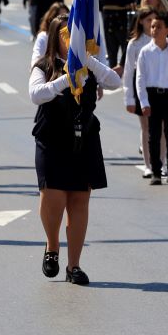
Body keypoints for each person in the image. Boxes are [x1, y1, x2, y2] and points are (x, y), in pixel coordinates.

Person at [29, 15, 123, 285]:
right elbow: (36, 94)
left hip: (84, 138)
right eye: (66, 35)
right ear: (55, 38)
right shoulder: (43, 66)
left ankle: (74, 266)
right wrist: (64, 79)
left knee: (80, 201)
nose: (71, 40)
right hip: (52, 138)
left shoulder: (89, 66)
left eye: (75, 35)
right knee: (54, 198)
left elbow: (114, 83)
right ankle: (52, 246)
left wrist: (87, 61)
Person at [135, 14, 168, 187]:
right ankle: (155, 172)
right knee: (154, 134)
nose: (154, 30)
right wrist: (143, 102)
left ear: (167, 30)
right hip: (153, 95)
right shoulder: (145, 52)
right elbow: (140, 79)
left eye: (158, 27)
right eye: (152, 27)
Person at [122, 8, 164, 179]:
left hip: (160, 87)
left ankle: (161, 163)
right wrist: (129, 98)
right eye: (148, 21)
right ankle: (148, 165)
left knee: (161, 127)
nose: (151, 24)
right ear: (140, 22)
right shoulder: (135, 44)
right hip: (141, 87)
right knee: (146, 127)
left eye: (155, 21)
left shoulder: (163, 42)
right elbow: (128, 72)